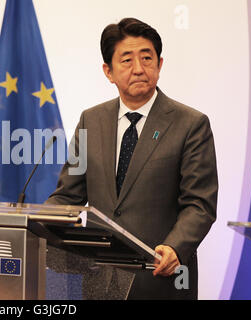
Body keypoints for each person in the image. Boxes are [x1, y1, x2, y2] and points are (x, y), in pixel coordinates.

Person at [45, 17, 218, 299]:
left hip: (160, 279)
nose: (139, 69)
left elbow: (199, 204)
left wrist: (175, 247)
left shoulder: (190, 124)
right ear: (108, 71)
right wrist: (24, 231)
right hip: (98, 280)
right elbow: (67, 197)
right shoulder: (91, 120)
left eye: (147, 58)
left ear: (159, 65)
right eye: (126, 60)